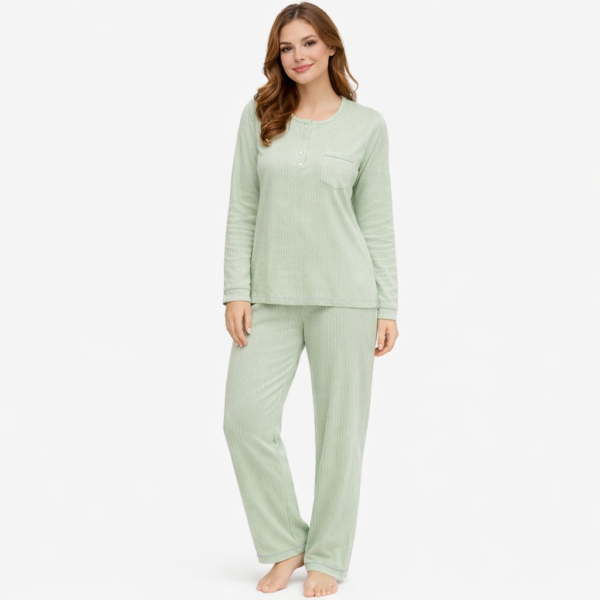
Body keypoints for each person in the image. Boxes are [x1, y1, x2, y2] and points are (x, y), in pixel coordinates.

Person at [222, 2, 399, 596]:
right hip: (269, 298)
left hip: (346, 298)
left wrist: (387, 306)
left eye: (307, 43)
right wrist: (236, 292)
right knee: (244, 420)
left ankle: (328, 554)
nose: (297, 56)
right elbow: (242, 208)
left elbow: (376, 222)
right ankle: (284, 543)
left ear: (330, 47)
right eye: (286, 47)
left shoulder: (367, 126)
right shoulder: (260, 116)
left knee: (340, 434)